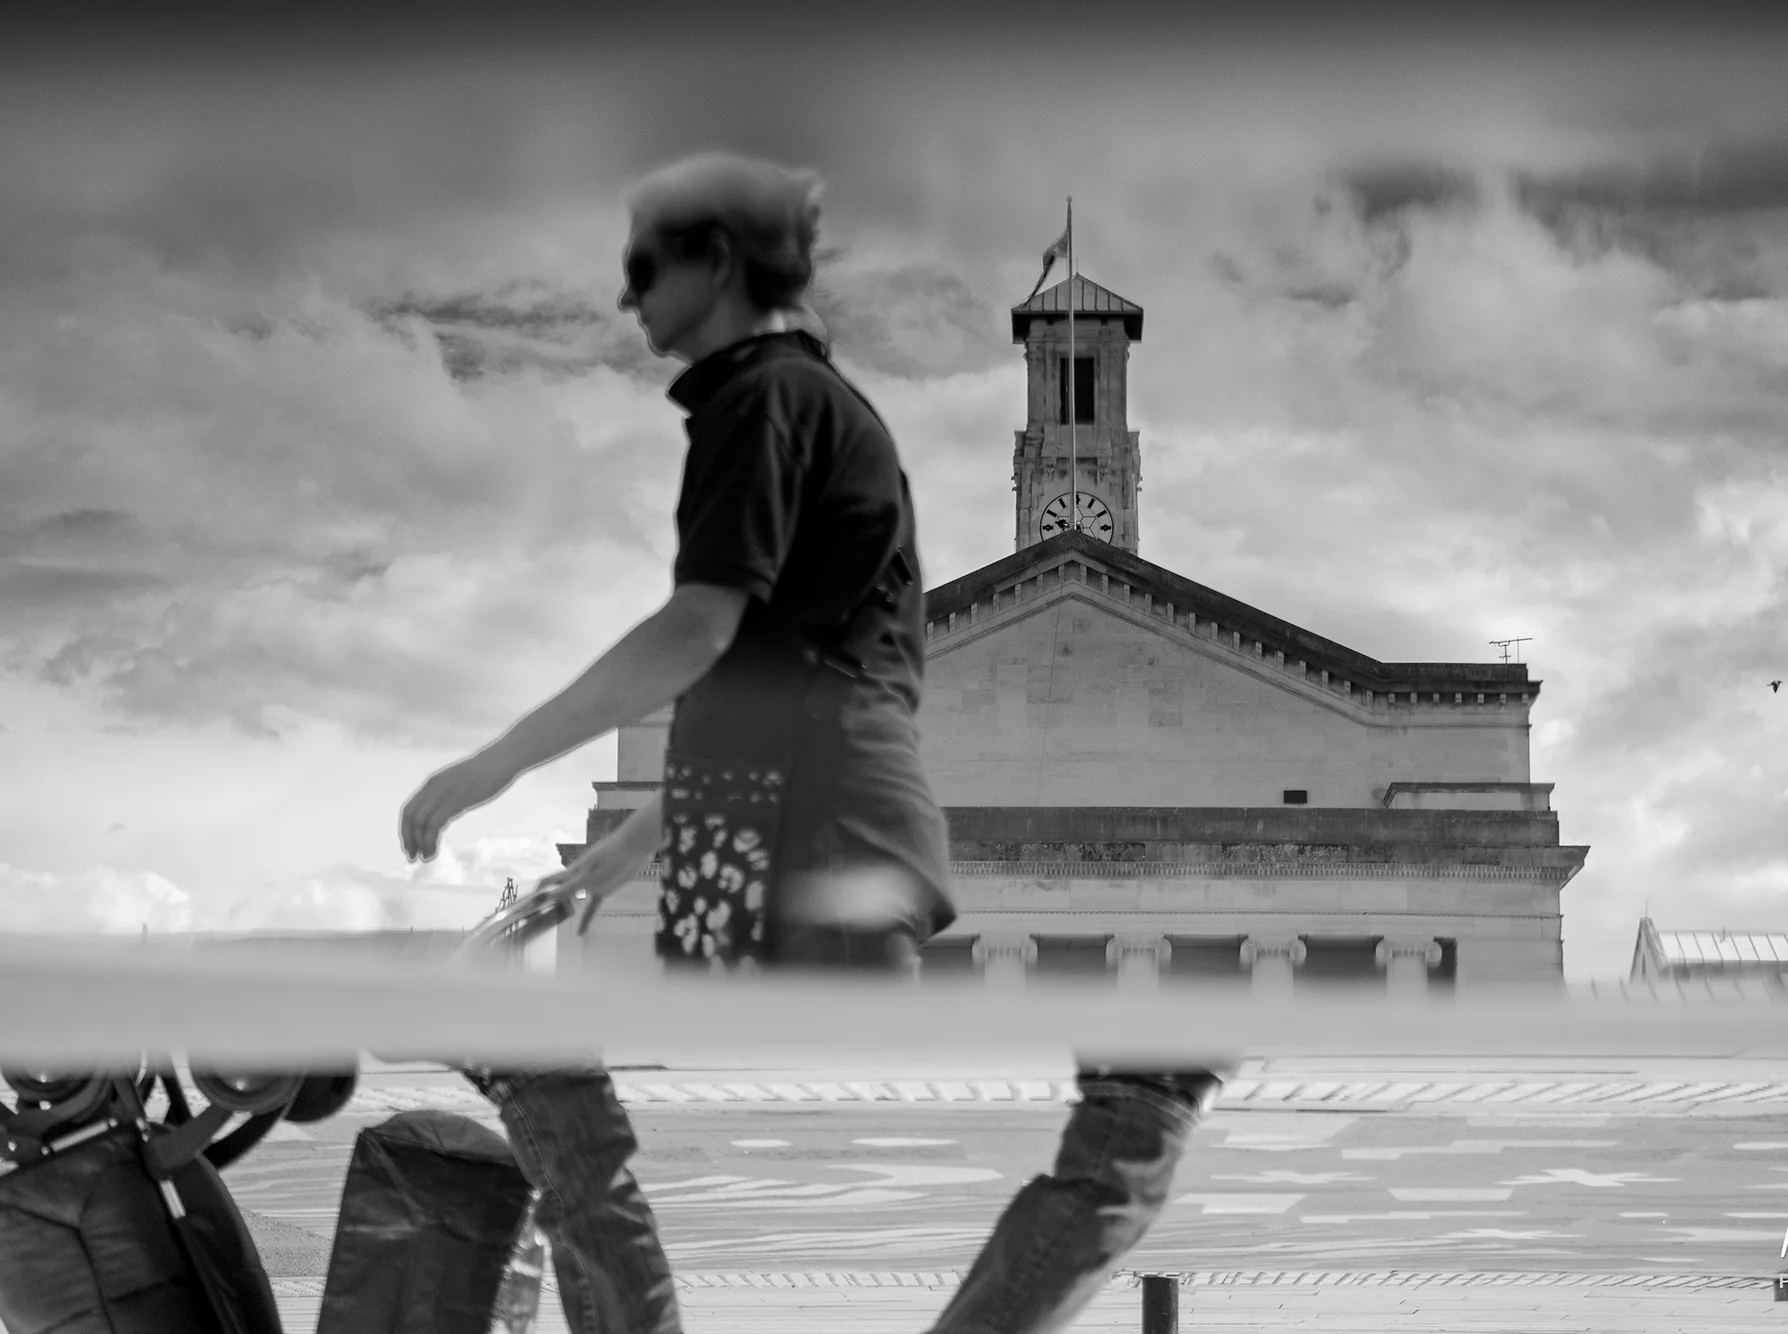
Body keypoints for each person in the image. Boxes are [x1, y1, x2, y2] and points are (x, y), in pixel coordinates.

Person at [397, 151, 1229, 1334]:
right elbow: (773, 681)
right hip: (800, 812)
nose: (628, 298)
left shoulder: (768, 405)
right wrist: (623, 851)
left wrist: (493, 766)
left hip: (815, 823)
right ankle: (1141, 1105)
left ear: (719, 264)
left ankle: (1140, 1106)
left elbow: (705, 632)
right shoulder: (788, 410)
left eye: (644, 265)